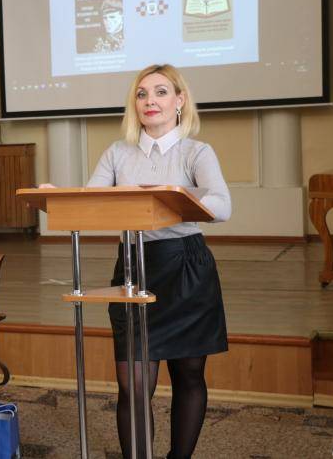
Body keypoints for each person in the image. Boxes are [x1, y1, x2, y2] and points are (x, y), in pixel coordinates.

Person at [42, 64, 230, 458]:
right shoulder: (117, 153)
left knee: (188, 374)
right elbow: (91, 203)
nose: (150, 101)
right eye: (142, 94)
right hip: (133, 270)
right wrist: (58, 196)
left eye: (160, 92)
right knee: (133, 384)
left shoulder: (197, 151)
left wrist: (171, 199)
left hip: (186, 268)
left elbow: (222, 205)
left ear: (179, 101)